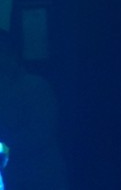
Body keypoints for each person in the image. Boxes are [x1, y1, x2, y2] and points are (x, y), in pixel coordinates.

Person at [0, 28, 69, 189]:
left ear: (10, 54)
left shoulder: (35, 86)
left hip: (38, 175)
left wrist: (6, 141)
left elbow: (40, 134)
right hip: (16, 175)